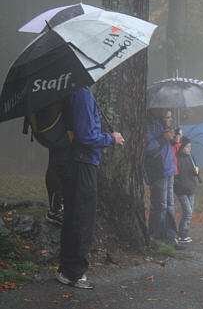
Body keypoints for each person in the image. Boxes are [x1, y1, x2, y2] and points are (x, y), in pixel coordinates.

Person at [56, 86, 125, 289]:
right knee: (82, 217)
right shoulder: (82, 94)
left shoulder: (71, 91)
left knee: (73, 215)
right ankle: (74, 273)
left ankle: (67, 269)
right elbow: (86, 136)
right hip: (82, 163)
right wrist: (111, 138)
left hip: (72, 162)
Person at [145, 108, 181, 248]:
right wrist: (163, 138)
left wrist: (173, 140)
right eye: (167, 115)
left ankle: (170, 237)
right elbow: (147, 147)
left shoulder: (162, 124)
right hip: (157, 169)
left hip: (168, 168)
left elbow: (166, 145)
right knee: (159, 206)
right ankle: (157, 238)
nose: (168, 117)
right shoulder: (147, 124)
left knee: (169, 205)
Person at [174, 136, 199, 243]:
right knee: (187, 211)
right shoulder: (176, 158)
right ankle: (182, 234)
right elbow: (175, 175)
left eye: (190, 147)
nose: (189, 149)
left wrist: (197, 170)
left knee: (189, 212)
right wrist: (179, 185)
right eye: (188, 147)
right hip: (181, 190)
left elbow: (194, 172)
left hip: (190, 188)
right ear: (182, 147)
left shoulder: (191, 157)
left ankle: (183, 234)